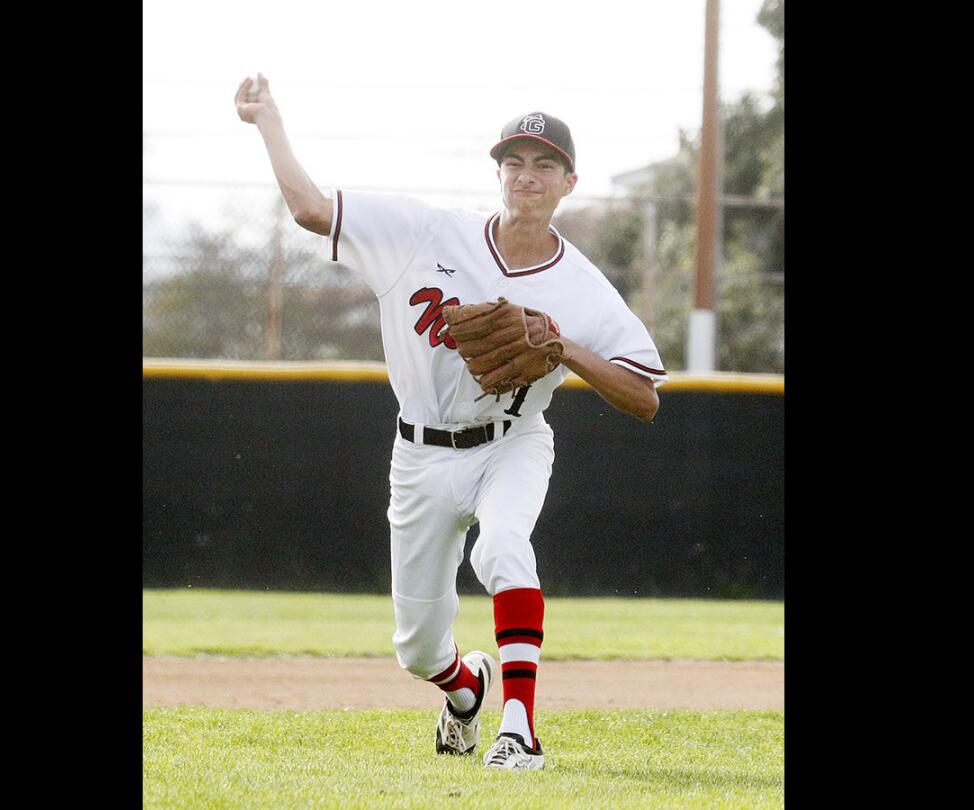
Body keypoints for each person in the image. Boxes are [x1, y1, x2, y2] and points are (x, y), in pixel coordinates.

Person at [235, 73, 668, 770]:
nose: (527, 175)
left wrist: (566, 347)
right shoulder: (425, 232)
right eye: (515, 162)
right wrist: (268, 124)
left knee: (500, 549)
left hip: (512, 443)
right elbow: (312, 211)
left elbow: (645, 397)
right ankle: (466, 689)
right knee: (417, 649)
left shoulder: (583, 287)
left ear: (569, 182)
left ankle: (518, 729)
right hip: (420, 455)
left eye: (544, 164)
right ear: (498, 172)